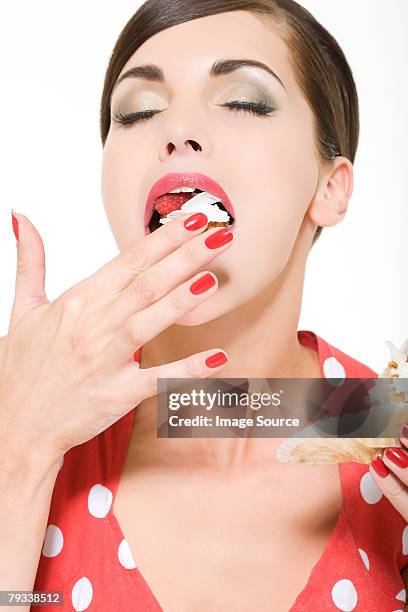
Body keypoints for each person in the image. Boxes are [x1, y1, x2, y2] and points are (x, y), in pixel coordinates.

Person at [1, 1, 407, 611]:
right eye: (137, 112)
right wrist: (17, 447)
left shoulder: (385, 425)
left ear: (331, 186)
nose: (176, 130)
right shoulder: (21, 417)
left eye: (243, 101)